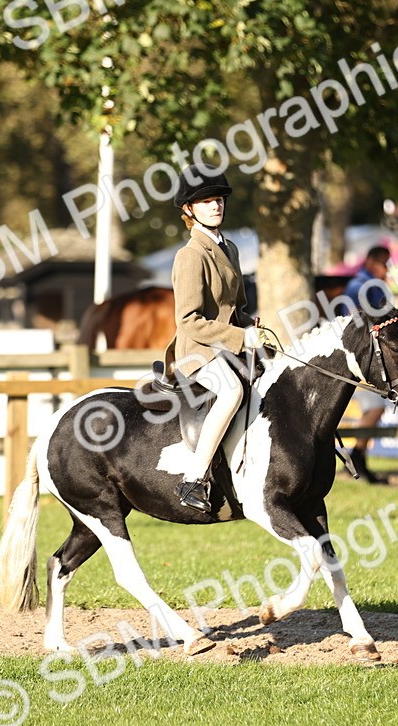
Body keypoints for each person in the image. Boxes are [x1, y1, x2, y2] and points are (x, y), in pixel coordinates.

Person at [164, 164, 265, 514]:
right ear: (189, 210)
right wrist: (240, 336)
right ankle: (193, 478)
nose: (216, 206)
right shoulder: (190, 255)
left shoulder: (230, 249)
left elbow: (234, 309)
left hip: (228, 345)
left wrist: (257, 330)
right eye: (206, 201)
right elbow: (189, 321)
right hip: (197, 352)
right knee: (233, 391)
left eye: (218, 199)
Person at [342, 246, 394, 482]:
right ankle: (356, 456)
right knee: (375, 408)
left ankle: (358, 457)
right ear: (374, 263)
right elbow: (356, 321)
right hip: (361, 358)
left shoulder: (365, 285)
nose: (388, 269)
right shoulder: (363, 287)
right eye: (386, 264)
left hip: (362, 356)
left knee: (372, 408)